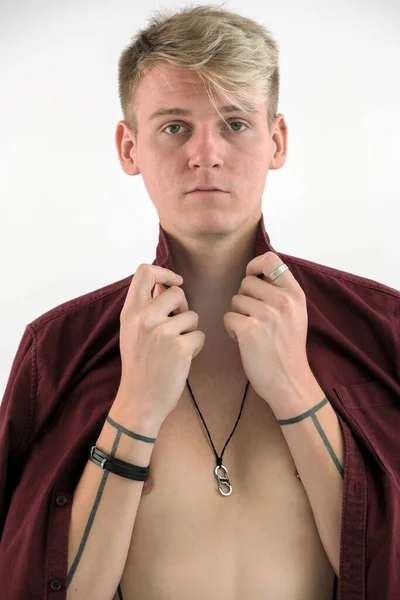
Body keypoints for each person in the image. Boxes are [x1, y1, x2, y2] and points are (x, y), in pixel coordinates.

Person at [0, 4, 399, 600]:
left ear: (277, 140)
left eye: (235, 123)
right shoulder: (54, 352)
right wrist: (134, 407)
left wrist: (295, 387)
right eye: (174, 126)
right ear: (129, 148)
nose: (204, 154)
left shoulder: (383, 329)